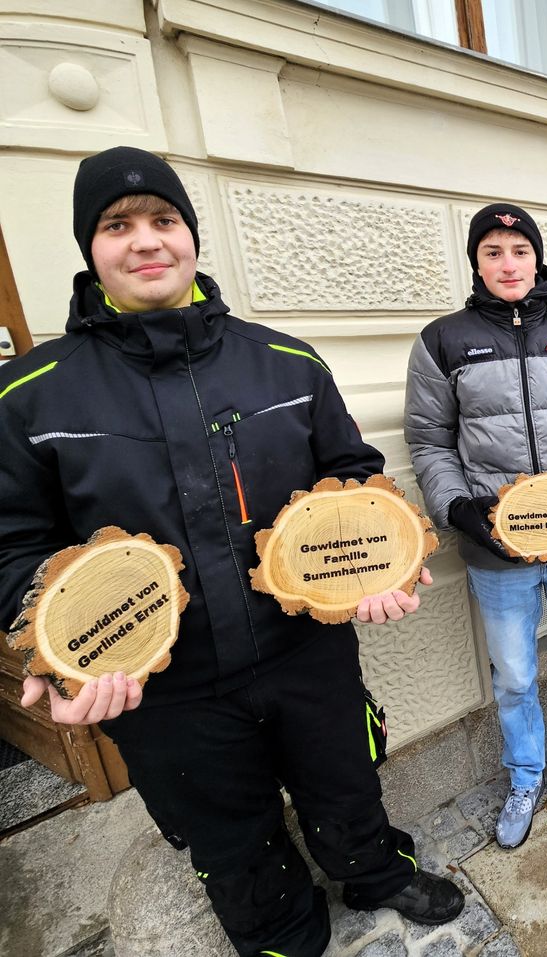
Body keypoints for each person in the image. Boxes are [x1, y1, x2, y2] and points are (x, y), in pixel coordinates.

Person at [0, 147, 463, 957]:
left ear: (191, 235)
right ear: (90, 246)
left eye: (164, 220)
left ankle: (375, 872)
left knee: (346, 778)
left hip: (304, 650)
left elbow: (351, 472)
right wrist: (54, 649)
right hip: (164, 687)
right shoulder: (32, 395)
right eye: (118, 225)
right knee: (226, 828)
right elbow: (12, 545)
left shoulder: (284, 361)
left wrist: (379, 561)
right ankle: (282, 932)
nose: (146, 241)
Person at [404, 202, 547, 850]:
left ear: (538, 258)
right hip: (496, 549)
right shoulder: (443, 341)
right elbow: (428, 440)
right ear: (476, 262)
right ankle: (526, 776)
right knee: (512, 672)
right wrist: (458, 509)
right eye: (493, 252)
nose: (509, 263)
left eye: (519, 250)